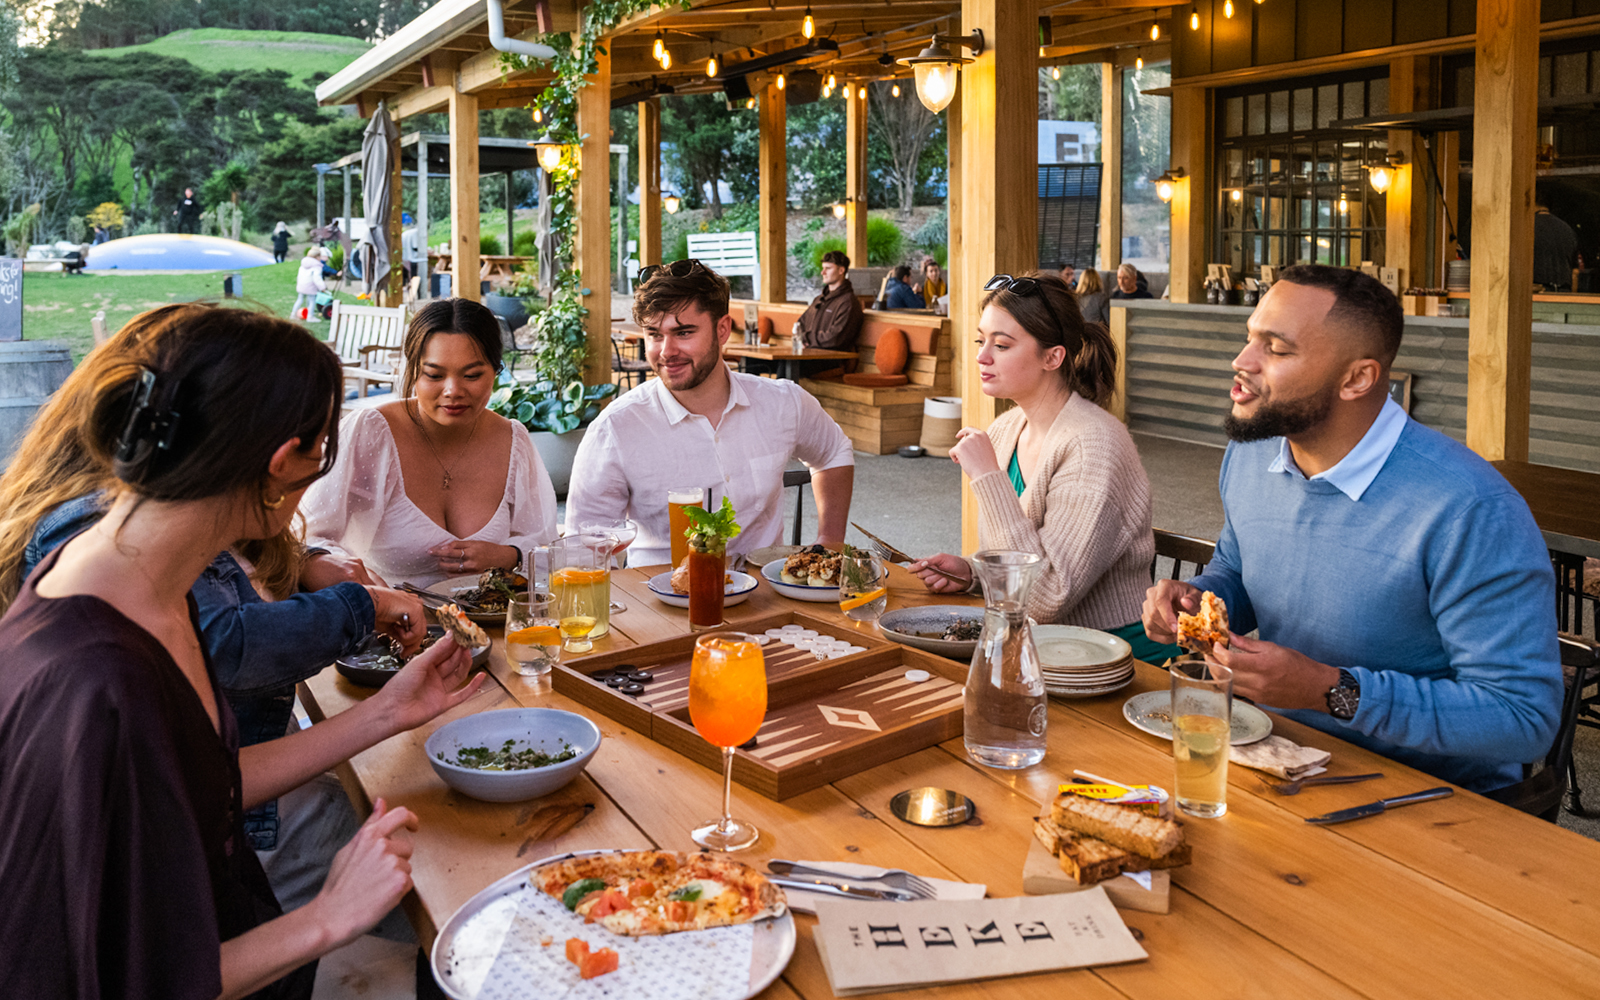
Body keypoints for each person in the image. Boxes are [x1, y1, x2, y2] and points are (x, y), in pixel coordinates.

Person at [0, 304, 485, 998]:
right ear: (284, 460)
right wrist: (328, 917)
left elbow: (204, 782)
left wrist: (387, 714)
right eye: (320, 451)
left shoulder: (142, 583)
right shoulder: (94, 680)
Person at [1140, 264, 1561, 794]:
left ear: (1357, 378)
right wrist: (1200, 599)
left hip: (1430, 799)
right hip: (1277, 755)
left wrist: (1332, 690)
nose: (1241, 362)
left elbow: (1522, 721)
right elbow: (1240, 569)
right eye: (1250, 338)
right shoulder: (1252, 455)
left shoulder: (1470, 508)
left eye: (1276, 348)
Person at [908, 272, 1167, 659]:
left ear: (1053, 356)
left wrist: (988, 478)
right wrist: (972, 573)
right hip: (1041, 646)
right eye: (982, 340)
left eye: (1002, 345)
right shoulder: (1006, 428)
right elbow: (1022, 562)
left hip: (1113, 658)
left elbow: (1046, 598)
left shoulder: (1094, 444)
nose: (982, 356)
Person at [565, 259, 855, 568]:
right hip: (662, 603)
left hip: (769, 601)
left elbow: (834, 451)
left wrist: (830, 539)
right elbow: (583, 550)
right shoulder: (615, 428)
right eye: (655, 334)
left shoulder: (783, 402)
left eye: (684, 332)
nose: (666, 351)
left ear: (722, 330)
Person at [303, 298, 558, 588]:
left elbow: (547, 545)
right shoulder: (371, 432)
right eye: (434, 375)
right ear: (412, 371)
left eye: (472, 375)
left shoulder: (513, 439)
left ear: (496, 371)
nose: (453, 391)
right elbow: (304, 539)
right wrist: (360, 580)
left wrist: (510, 555)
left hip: (496, 626)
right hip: (387, 625)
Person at [795, 249, 865, 351]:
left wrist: (807, 339)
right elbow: (800, 324)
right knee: (775, 363)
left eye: (828, 268)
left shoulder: (849, 303)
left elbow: (835, 338)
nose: (822, 272)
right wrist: (802, 339)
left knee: (782, 365)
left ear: (841, 270)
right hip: (808, 353)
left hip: (830, 359)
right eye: (823, 268)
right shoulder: (819, 299)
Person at [1533, 188, 1577, 291]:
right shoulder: (1567, 229)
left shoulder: (1527, 228)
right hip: (1563, 292)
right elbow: (1575, 273)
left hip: (1537, 293)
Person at [293, 247, 326, 322]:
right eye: (320, 256)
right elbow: (317, 278)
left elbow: (299, 276)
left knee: (300, 299)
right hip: (310, 286)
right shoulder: (317, 266)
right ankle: (310, 317)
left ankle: (293, 314)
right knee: (312, 301)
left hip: (301, 285)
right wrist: (322, 287)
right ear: (317, 257)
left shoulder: (303, 264)